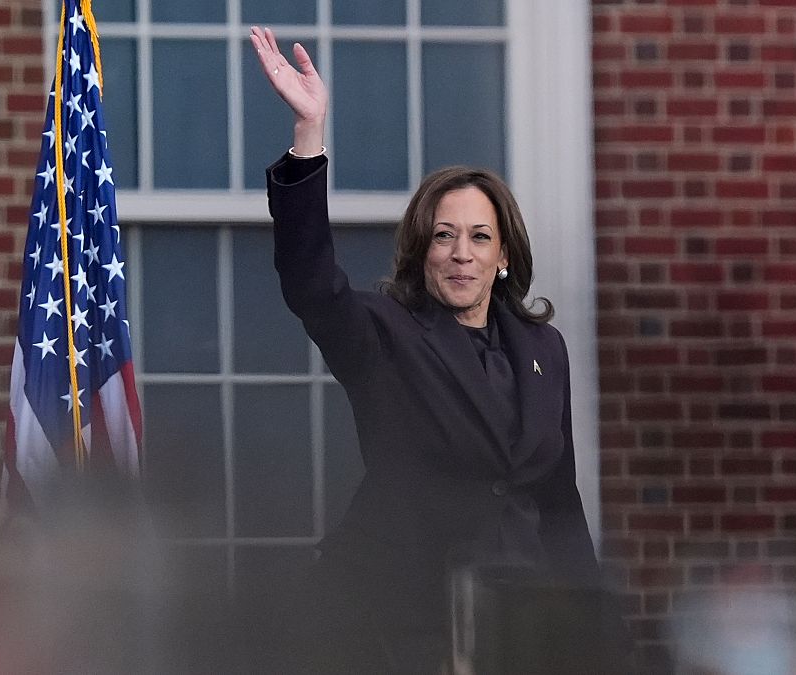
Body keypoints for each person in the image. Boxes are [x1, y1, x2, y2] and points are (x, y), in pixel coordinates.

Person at [250, 26, 605, 673]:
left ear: (503, 255)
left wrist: (593, 632)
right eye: (444, 236)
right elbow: (311, 282)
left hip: (517, 627)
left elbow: (558, 500)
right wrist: (310, 137)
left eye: (478, 236)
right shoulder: (385, 333)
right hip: (396, 626)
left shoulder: (543, 349)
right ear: (422, 249)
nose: (461, 252)